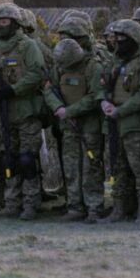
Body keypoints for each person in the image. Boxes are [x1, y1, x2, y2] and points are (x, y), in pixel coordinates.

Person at [0, 4, 46, 220]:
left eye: (4, 22)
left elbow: (36, 74)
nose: (0, 26)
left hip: (26, 111)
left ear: (15, 23)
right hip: (5, 114)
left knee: (27, 159)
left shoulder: (28, 46)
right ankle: (12, 203)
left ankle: (30, 204)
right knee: (8, 158)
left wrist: (13, 90)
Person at [99, 19, 140, 224]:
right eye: (117, 38)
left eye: (124, 39)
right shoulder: (114, 61)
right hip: (113, 125)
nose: (119, 43)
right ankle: (115, 208)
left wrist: (120, 110)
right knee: (113, 167)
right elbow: (103, 83)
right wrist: (104, 102)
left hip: (136, 124)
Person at [45, 38, 105, 223]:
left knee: (90, 168)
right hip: (68, 127)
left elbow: (96, 95)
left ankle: (94, 207)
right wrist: (58, 108)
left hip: (89, 126)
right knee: (71, 167)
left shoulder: (92, 67)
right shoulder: (58, 67)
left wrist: (70, 111)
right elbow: (48, 90)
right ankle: (75, 206)